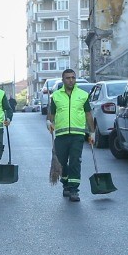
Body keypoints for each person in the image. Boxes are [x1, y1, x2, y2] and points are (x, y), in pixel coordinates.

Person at [45, 69, 95, 202]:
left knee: (75, 161)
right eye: (68, 78)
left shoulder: (83, 95)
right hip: (61, 134)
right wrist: (49, 121)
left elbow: (88, 114)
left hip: (77, 135)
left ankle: (74, 190)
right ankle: (65, 183)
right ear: (63, 80)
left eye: (73, 77)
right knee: (61, 162)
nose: (71, 80)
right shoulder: (55, 96)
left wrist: (92, 132)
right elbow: (52, 114)